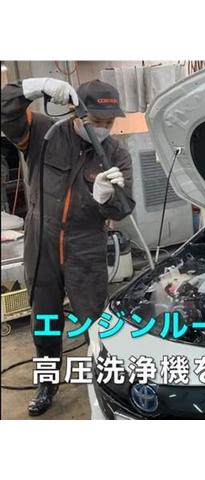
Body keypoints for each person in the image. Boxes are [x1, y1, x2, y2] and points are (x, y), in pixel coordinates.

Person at [0, 77, 136, 416]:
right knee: (45, 321)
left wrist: (106, 199)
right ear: (76, 113)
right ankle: (47, 384)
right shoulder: (43, 133)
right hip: (41, 243)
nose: (103, 129)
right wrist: (34, 86)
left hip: (85, 247)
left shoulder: (116, 154)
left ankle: (104, 384)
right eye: (97, 121)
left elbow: (124, 208)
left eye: (109, 123)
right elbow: (5, 112)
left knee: (94, 322)